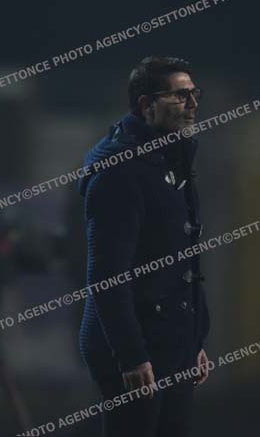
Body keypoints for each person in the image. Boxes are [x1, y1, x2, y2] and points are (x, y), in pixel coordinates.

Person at [78, 56, 210, 437]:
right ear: (147, 105)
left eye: (194, 94)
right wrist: (131, 355)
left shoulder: (173, 160)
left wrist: (193, 339)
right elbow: (107, 276)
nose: (192, 105)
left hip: (171, 339)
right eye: (180, 96)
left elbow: (182, 263)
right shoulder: (119, 172)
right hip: (134, 343)